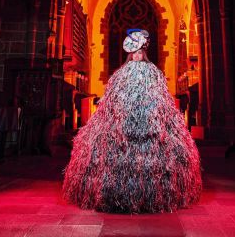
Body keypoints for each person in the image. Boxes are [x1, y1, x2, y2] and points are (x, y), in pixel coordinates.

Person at [62, 28, 202, 213]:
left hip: (150, 119)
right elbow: (113, 97)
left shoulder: (153, 73)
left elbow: (159, 97)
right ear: (130, 54)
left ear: (144, 53)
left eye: (140, 52)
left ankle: (152, 195)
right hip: (122, 121)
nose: (137, 56)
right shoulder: (121, 74)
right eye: (134, 53)